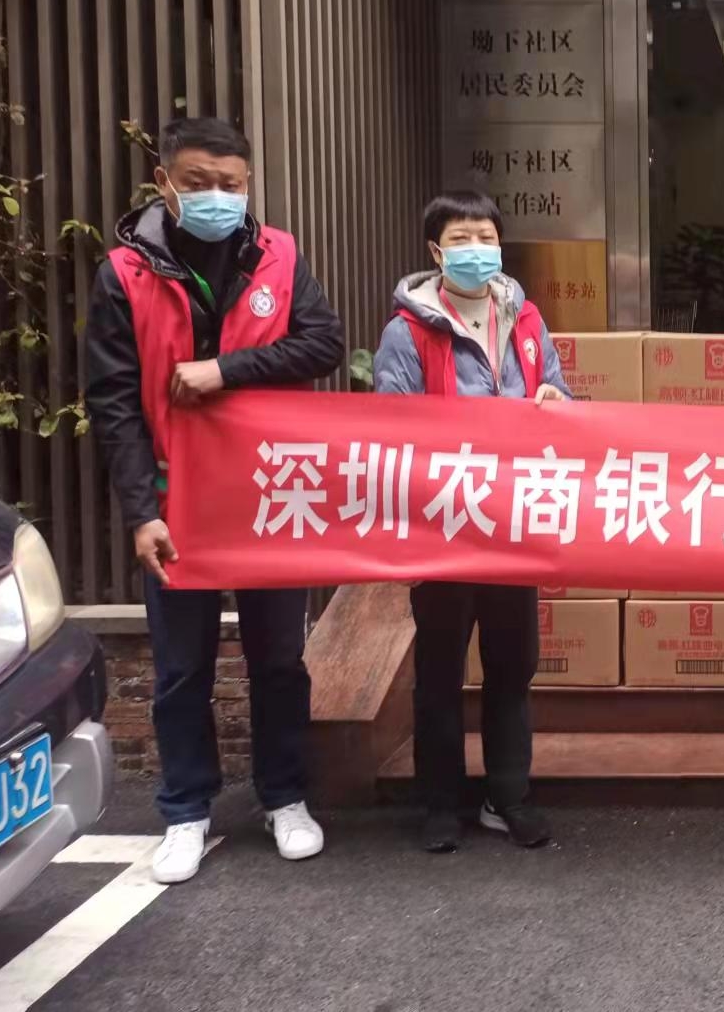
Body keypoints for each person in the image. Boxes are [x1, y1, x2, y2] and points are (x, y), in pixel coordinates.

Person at [85, 117, 345, 884]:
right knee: (180, 667)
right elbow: (114, 403)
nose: (216, 196)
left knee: (279, 659)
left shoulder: (279, 256)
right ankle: (185, 810)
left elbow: (323, 342)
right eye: (198, 182)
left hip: (271, 495)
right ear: (164, 183)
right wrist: (141, 511)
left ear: (248, 184)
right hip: (178, 502)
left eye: (230, 184)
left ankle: (285, 796)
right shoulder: (124, 274)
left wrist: (225, 369)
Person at [372, 190, 571, 854]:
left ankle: (508, 794)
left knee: (513, 665)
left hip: (513, 528)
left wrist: (555, 399)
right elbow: (392, 425)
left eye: (485, 237)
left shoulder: (526, 321)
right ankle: (440, 802)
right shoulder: (407, 332)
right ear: (436, 251)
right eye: (461, 239)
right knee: (439, 670)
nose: (476, 250)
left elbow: (561, 397)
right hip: (444, 529)